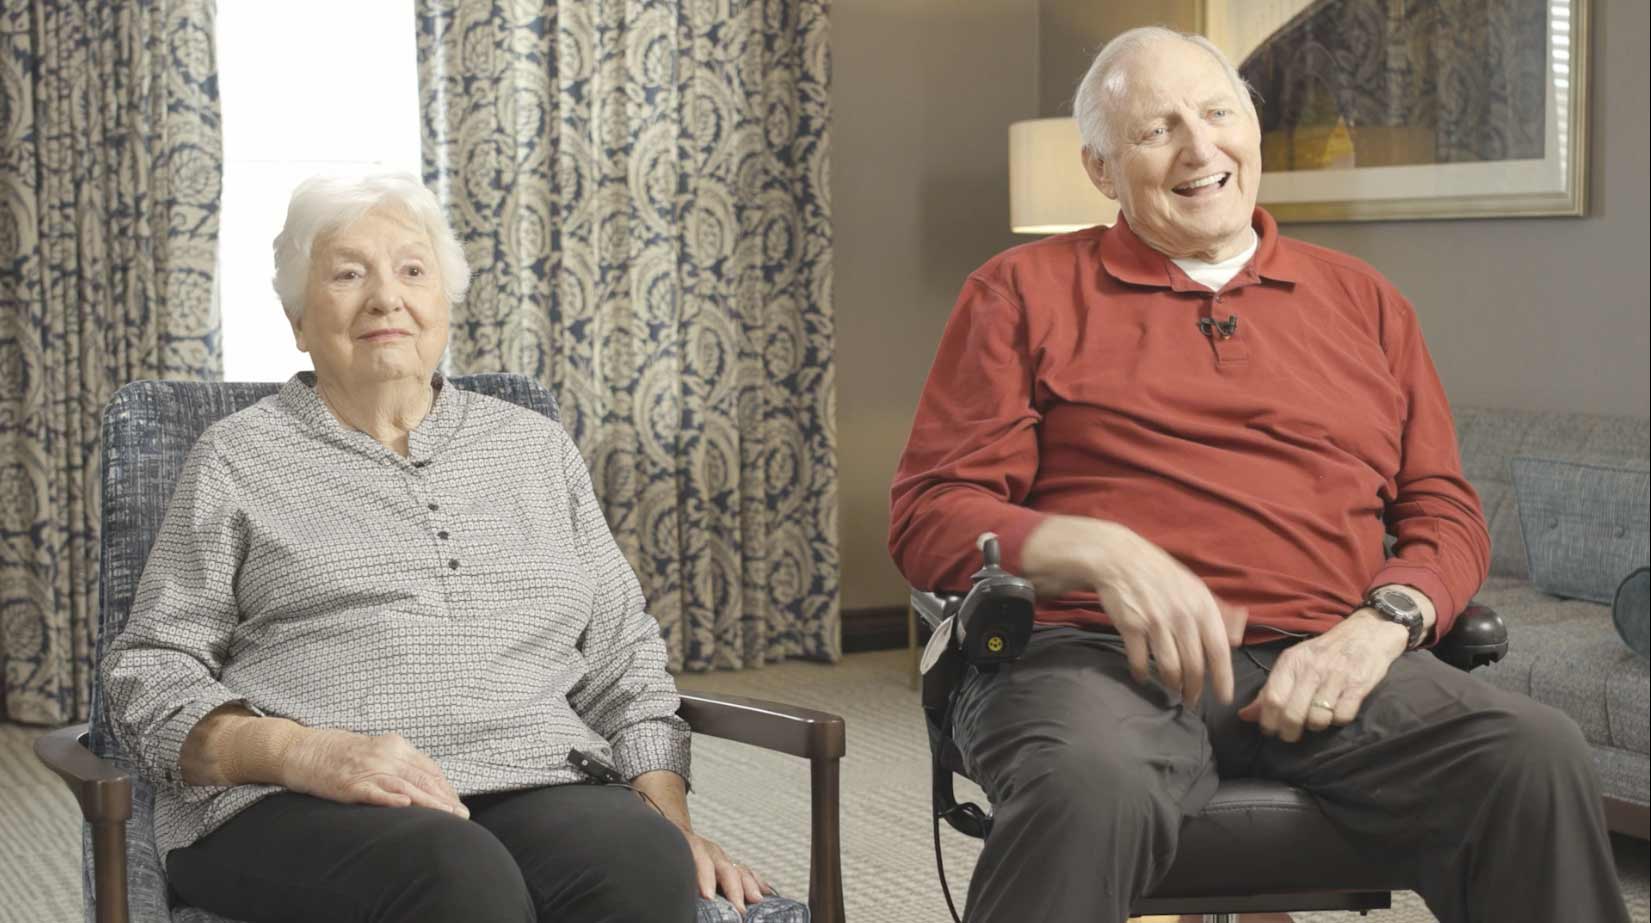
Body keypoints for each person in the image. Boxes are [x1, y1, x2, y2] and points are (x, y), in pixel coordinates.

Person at [889, 27, 1629, 923]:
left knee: (1533, 753)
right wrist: (1094, 551)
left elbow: (1442, 511)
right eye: (1156, 130)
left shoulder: (1364, 302)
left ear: (1252, 126)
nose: (1200, 149)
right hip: (1089, 658)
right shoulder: (1019, 290)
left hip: (1328, 653)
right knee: (1089, 781)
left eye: (1216, 114)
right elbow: (928, 515)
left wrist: (1383, 623)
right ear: (1098, 169)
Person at [102, 173, 789, 923]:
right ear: (299, 318)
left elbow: (622, 653)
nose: (385, 297)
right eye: (347, 273)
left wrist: (668, 814)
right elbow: (150, 668)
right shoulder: (237, 456)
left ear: (444, 305)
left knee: (639, 855)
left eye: (412, 269)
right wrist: (305, 751)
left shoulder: (533, 448)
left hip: (533, 776)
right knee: (458, 876)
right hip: (293, 800)